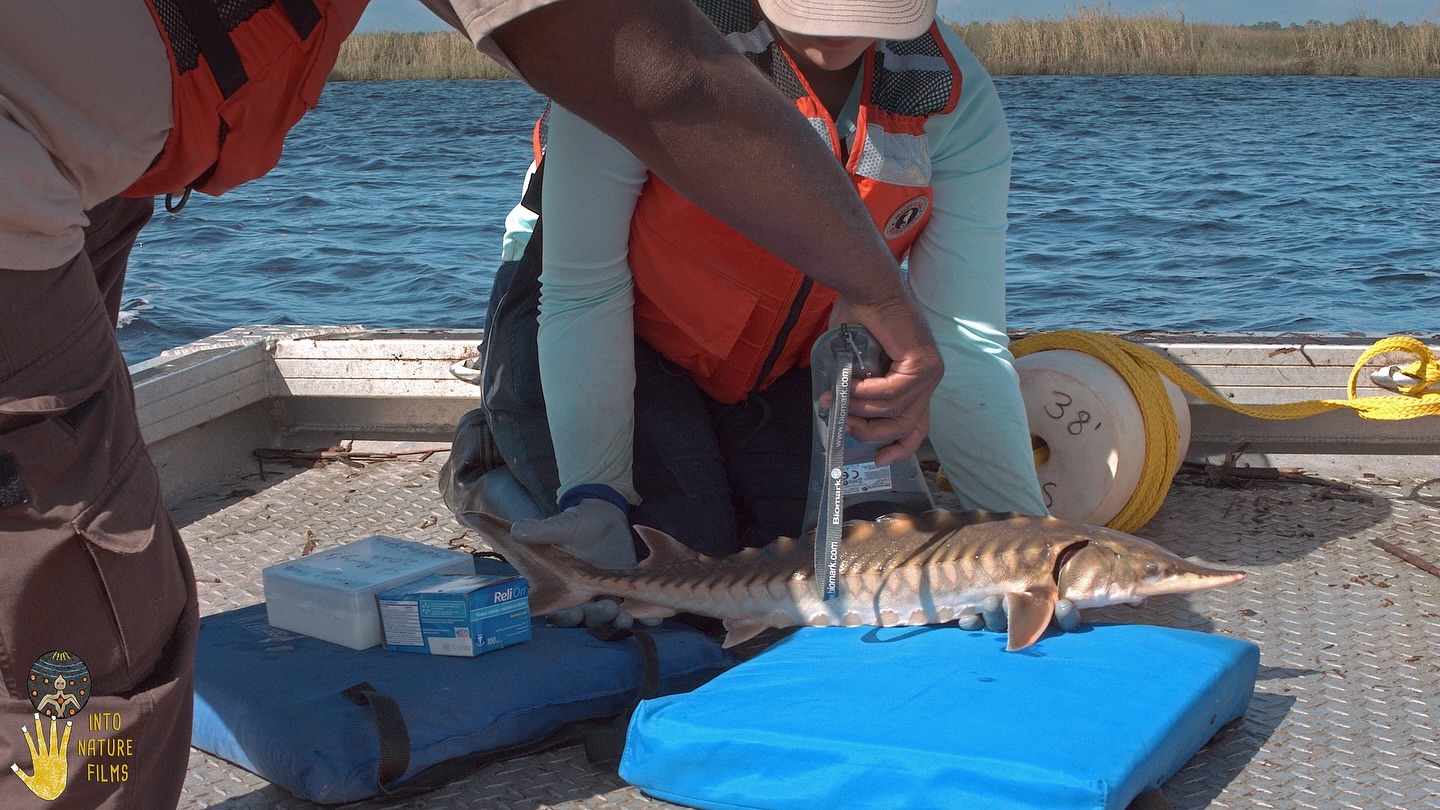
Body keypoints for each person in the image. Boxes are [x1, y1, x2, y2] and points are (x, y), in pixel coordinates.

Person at [1, 1, 942, 806]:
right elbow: (664, 81)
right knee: (93, 655)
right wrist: (601, 492)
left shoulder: (937, 99)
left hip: (77, 167)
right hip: (21, 164)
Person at [468, 0, 1047, 569]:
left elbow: (964, 337)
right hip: (586, 323)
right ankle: (486, 469)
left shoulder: (951, 97)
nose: (838, 31)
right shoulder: (629, 43)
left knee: (815, 562)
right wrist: (595, 489)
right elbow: (582, 290)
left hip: (773, 366)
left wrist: (1029, 545)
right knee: (662, 567)